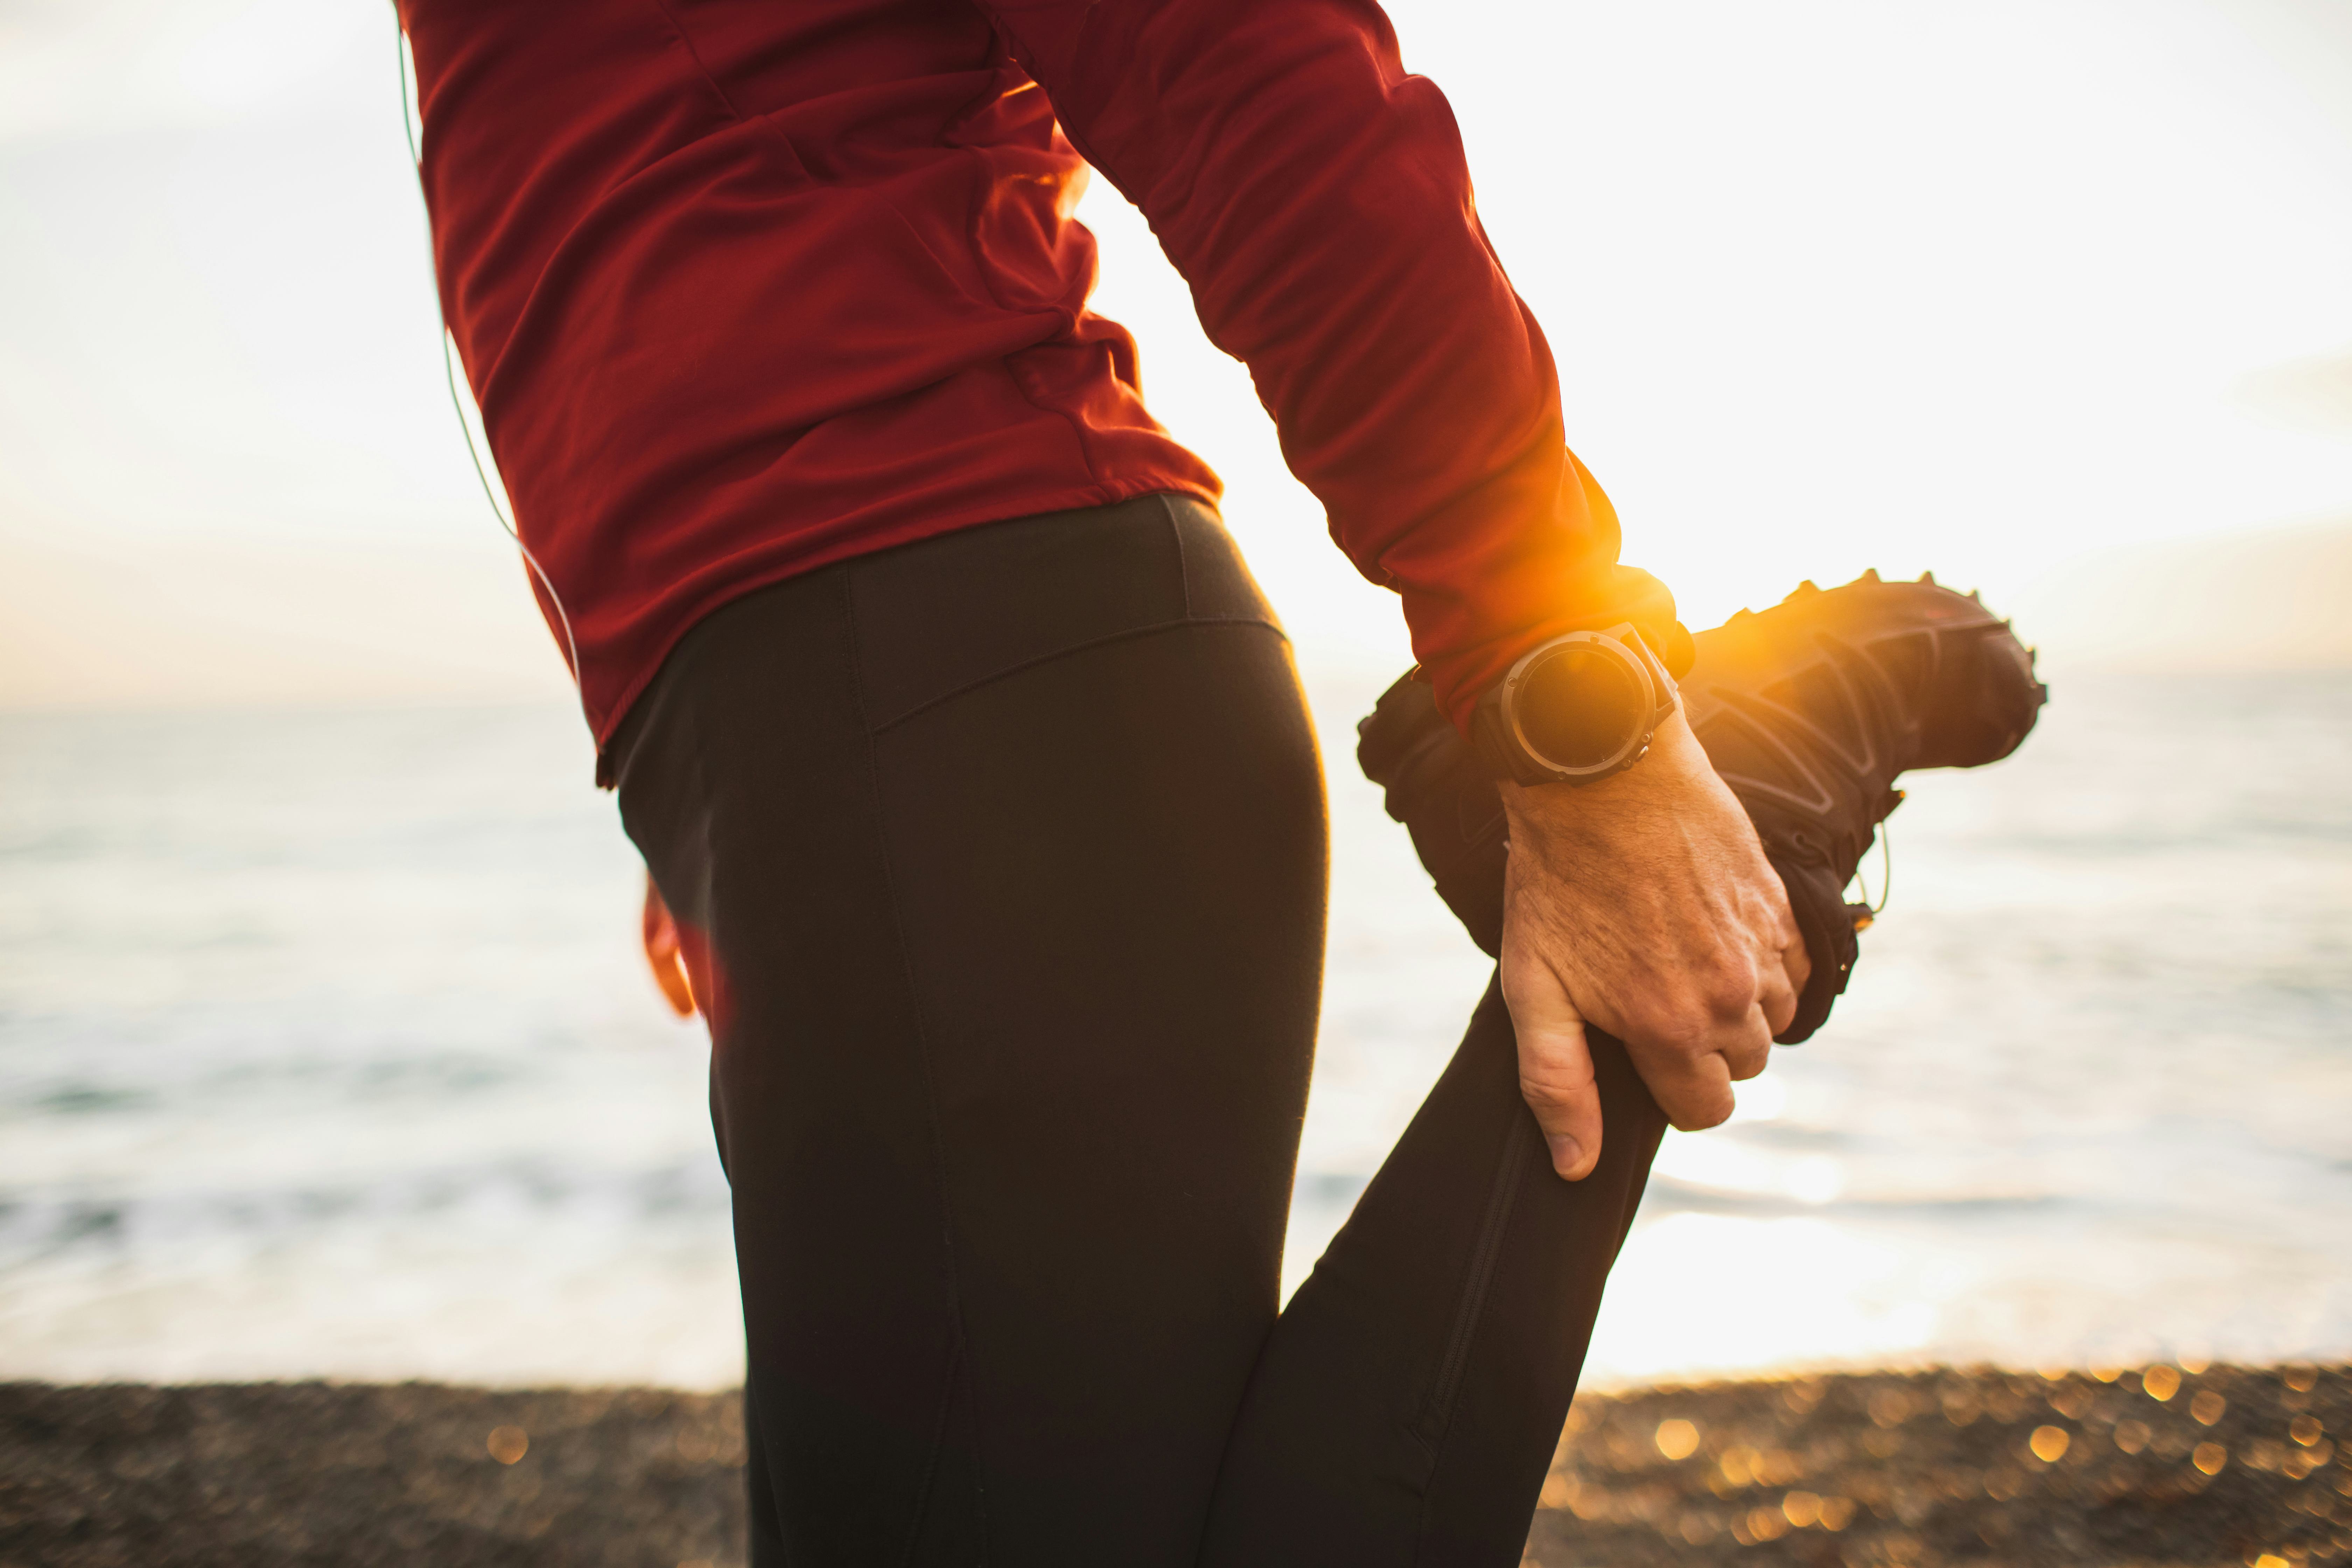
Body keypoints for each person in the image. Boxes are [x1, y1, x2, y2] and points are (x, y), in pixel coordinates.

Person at [398, 1, 2038, 1560]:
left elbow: (1246, 61)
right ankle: (1753, 761)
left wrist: (1555, 670)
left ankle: (1759, 760)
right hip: (844, 713)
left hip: (972, 669)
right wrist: (742, 768)